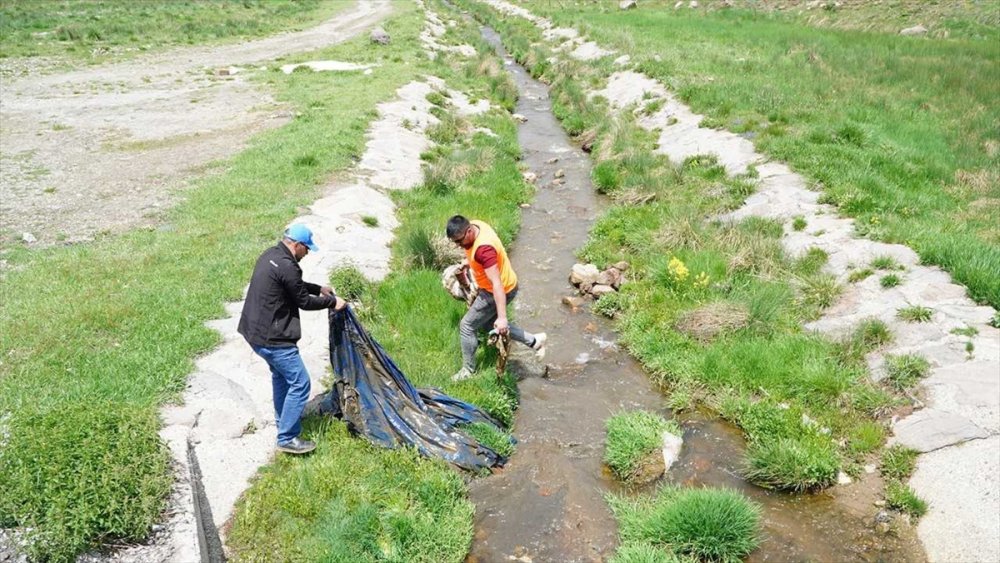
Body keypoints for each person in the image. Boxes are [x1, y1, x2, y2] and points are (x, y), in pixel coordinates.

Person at [238, 224, 346, 454]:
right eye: (306, 249)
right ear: (296, 245)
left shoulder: (271, 255)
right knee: (300, 382)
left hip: (254, 333)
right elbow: (303, 301)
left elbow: (293, 286)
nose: (307, 254)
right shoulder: (288, 266)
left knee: (281, 377)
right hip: (273, 338)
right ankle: (287, 437)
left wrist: (319, 289)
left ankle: (282, 422)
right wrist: (332, 302)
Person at [446, 215, 546, 381]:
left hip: (498, 291)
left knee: (467, 326)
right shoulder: (477, 225)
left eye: (459, 241)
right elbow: (477, 254)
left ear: (469, 231)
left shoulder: (484, 250)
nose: (458, 246)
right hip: (509, 283)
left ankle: (468, 371)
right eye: (455, 242)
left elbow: (496, 284)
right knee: (486, 323)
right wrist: (468, 261)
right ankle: (535, 341)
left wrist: (502, 318)